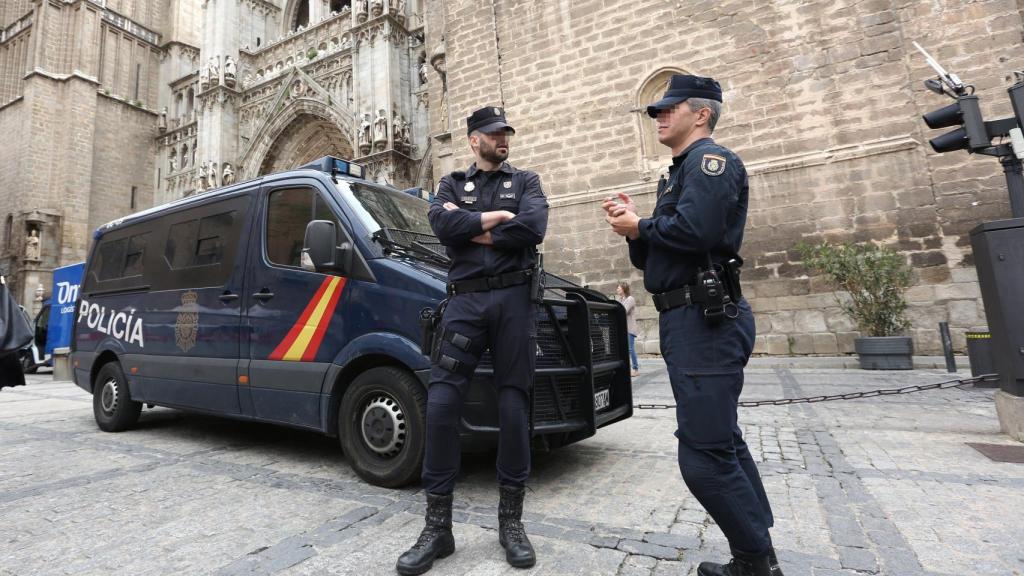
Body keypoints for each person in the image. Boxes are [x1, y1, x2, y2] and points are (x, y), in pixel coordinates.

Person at [602, 74, 783, 576]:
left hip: (706, 320)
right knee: (722, 444)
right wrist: (634, 226)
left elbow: (697, 231)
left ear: (700, 114)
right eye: (655, 110)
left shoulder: (711, 163)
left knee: (703, 456)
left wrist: (643, 226)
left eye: (668, 108)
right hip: (687, 318)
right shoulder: (677, 175)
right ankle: (757, 555)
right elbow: (657, 257)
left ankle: (753, 561)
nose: (657, 116)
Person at [396, 106, 548, 575]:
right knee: (441, 404)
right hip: (464, 304)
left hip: (513, 303)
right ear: (473, 140)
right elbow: (441, 228)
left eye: (506, 132)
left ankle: (511, 524)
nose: (503, 138)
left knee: (512, 407)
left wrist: (474, 226)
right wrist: (496, 220)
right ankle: (438, 527)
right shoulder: (448, 185)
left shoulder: (527, 182)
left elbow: (533, 228)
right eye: (494, 133)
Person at [615, 282, 640, 376]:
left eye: (619, 288)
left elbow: (623, 311)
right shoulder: (620, 299)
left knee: (630, 349)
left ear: (624, 289)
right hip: (623, 328)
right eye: (617, 288)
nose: (617, 290)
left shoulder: (630, 299)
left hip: (629, 328)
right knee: (623, 349)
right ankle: (627, 369)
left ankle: (635, 369)